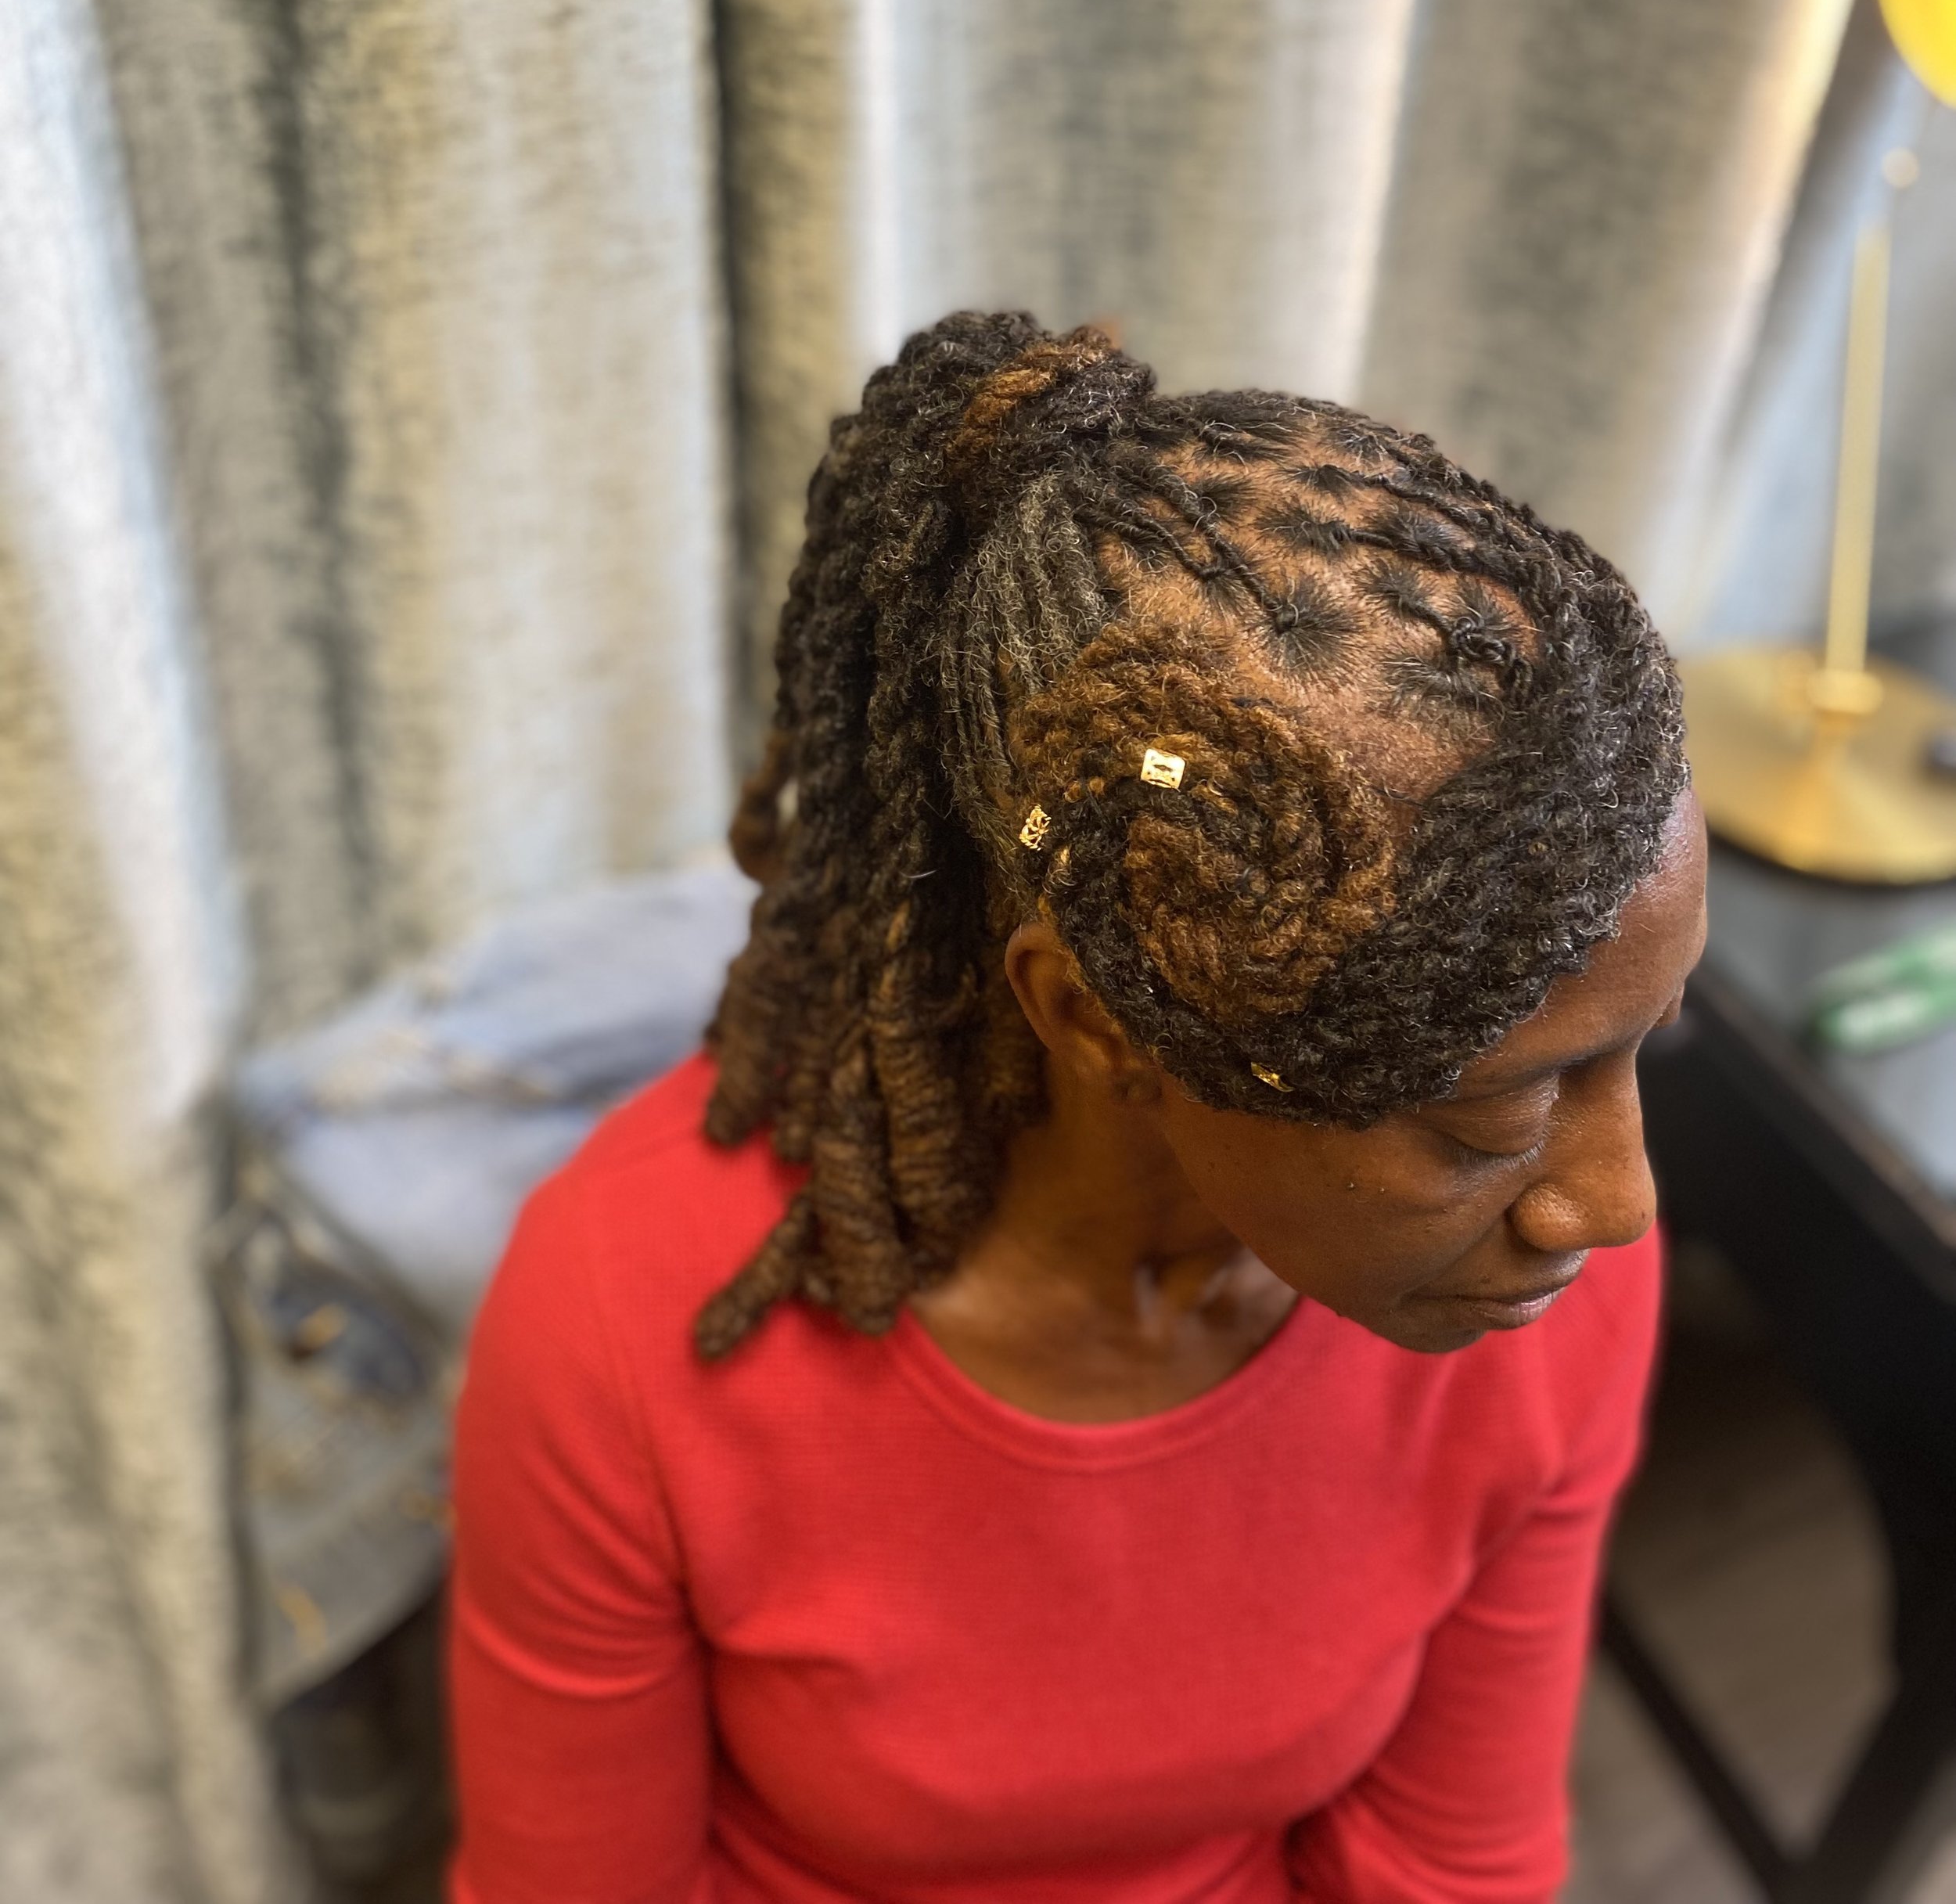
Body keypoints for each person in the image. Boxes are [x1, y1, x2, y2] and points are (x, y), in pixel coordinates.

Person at [448, 311, 1704, 1904]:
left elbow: (1444, 1863)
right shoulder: (619, 1324)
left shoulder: (1532, 1290)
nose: (1613, 1199)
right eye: (1480, 1118)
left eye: (1655, 1038)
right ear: (1088, 1016)